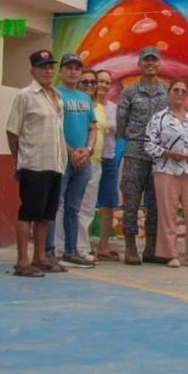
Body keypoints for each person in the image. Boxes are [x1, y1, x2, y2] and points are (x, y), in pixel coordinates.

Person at [6, 50, 67, 277]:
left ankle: (40, 257)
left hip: (55, 162)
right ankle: (22, 261)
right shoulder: (25, 95)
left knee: (45, 215)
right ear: (33, 71)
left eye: (51, 67)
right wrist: (17, 159)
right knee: (28, 213)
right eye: (42, 67)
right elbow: (13, 130)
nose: (48, 71)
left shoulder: (57, 97)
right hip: (34, 162)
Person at [145, 79, 188, 268]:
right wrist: (168, 153)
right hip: (166, 170)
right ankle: (170, 254)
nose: (179, 94)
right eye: (176, 90)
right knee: (167, 213)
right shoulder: (159, 118)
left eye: (183, 91)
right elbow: (148, 144)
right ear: (169, 93)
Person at [116, 46, 169, 265]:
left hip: (159, 154)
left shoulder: (166, 92)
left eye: (153, 60)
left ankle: (151, 248)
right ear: (139, 63)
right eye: (146, 60)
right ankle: (130, 247)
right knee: (132, 200)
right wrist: (134, 139)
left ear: (159, 63)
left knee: (156, 202)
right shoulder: (129, 92)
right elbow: (121, 124)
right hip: (135, 152)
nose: (150, 64)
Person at [47, 53, 97, 269]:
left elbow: (92, 127)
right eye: (69, 68)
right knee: (53, 205)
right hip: (61, 159)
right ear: (61, 71)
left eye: (77, 68)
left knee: (73, 207)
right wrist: (69, 152)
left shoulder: (85, 99)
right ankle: (48, 251)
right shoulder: (54, 94)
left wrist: (87, 149)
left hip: (83, 160)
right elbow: (53, 128)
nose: (73, 72)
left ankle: (71, 250)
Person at [75, 69, 103, 261]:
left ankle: (82, 248)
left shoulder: (99, 107)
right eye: (85, 82)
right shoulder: (74, 103)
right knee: (68, 206)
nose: (90, 86)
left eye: (93, 83)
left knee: (87, 208)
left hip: (96, 162)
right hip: (75, 160)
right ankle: (64, 247)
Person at [93, 69, 121, 261]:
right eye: (99, 81)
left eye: (106, 82)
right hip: (90, 158)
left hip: (109, 158)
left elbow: (117, 133)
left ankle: (103, 245)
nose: (103, 85)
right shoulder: (88, 105)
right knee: (84, 202)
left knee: (109, 202)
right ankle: (81, 245)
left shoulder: (114, 108)